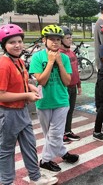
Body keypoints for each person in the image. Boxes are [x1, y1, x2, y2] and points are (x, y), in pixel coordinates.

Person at [0, 24, 58, 185]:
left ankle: (35, 177)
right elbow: (1, 94)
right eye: (12, 42)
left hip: (22, 110)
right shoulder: (3, 64)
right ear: (4, 45)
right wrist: (27, 94)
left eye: (19, 41)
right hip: (8, 113)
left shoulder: (17, 60)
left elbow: (22, 80)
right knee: (6, 149)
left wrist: (30, 86)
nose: (17, 45)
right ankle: (6, 182)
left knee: (29, 145)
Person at [29, 25, 79, 173]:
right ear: (44, 40)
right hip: (44, 101)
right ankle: (62, 152)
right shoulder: (37, 57)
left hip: (62, 100)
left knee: (56, 132)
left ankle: (44, 160)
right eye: (51, 39)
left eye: (58, 39)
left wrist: (59, 63)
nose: (55, 42)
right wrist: (50, 62)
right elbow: (41, 81)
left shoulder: (64, 57)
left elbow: (67, 81)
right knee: (49, 134)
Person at [59, 26, 82, 144]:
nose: (70, 40)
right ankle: (60, 133)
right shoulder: (59, 54)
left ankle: (67, 131)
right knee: (62, 112)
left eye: (71, 37)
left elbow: (76, 70)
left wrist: (79, 85)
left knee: (70, 110)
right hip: (64, 87)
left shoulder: (71, 53)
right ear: (61, 40)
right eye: (67, 38)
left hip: (73, 86)